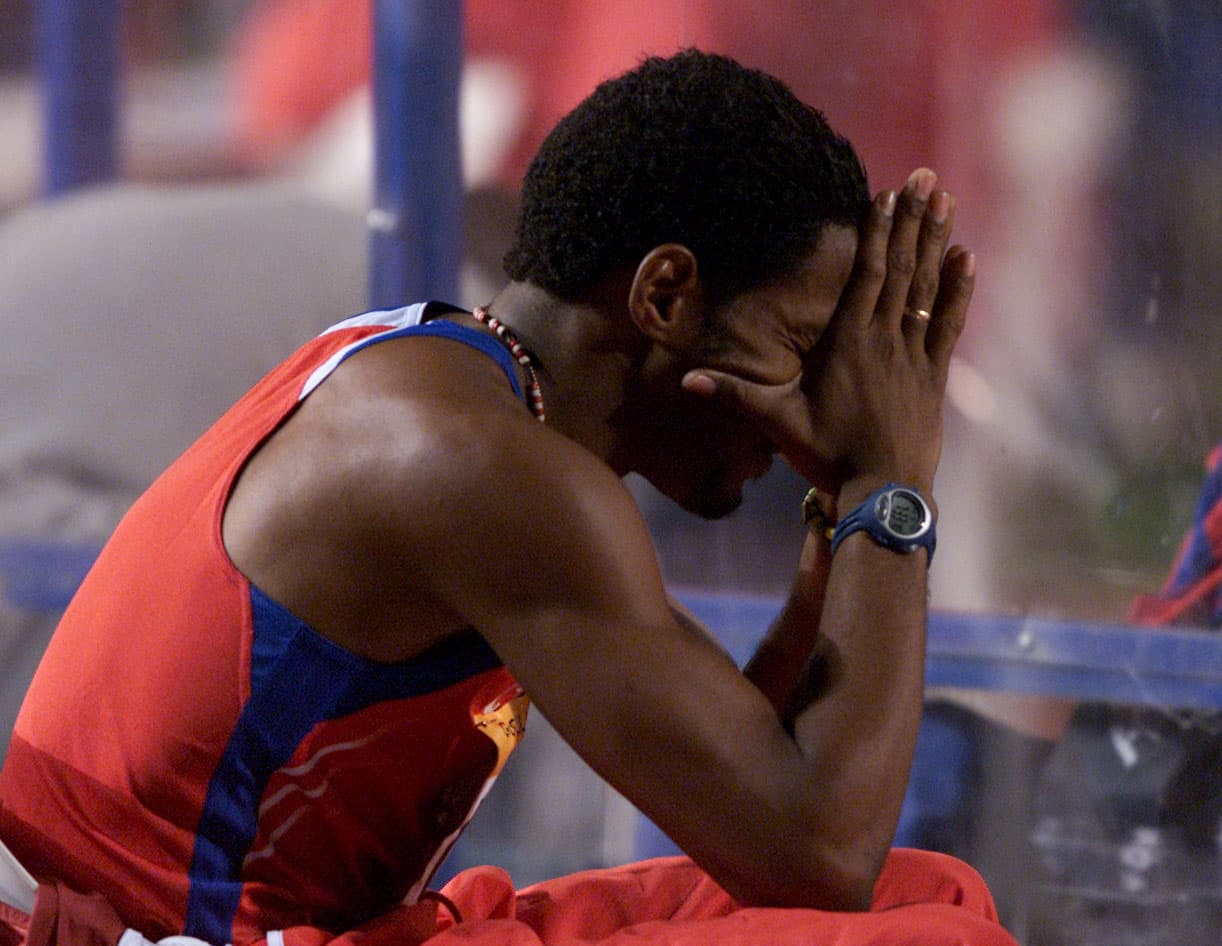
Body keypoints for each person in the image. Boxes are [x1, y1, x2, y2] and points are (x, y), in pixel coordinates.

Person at [0, 50, 1012, 946]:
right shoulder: (474, 465)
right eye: (799, 348)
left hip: (318, 927)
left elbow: (757, 778)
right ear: (664, 297)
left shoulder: (481, 403)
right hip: (160, 933)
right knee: (909, 936)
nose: (811, 403)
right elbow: (815, 854)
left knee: (930, 889)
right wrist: (893, 479)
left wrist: (845, 503)